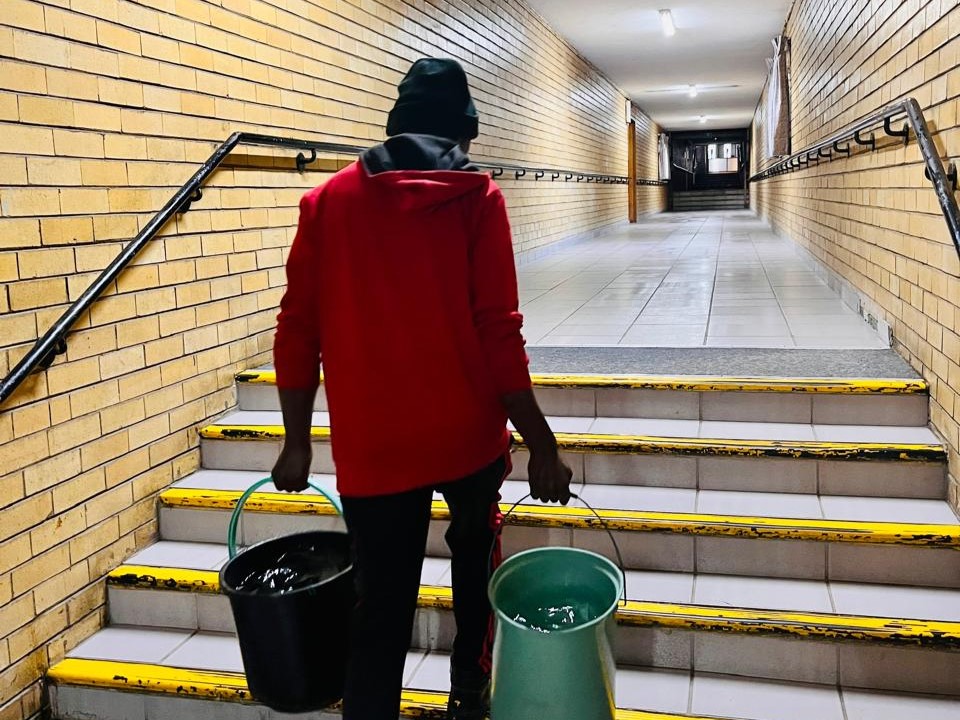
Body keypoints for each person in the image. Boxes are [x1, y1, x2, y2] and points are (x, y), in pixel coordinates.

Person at [271, 57, 573, 720]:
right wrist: (542, 444)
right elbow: (499, 333)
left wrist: (296, 441)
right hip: (467, 438)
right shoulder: (478, 198)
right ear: (461, 132)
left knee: (379, 611)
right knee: (473, 565)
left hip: (374, 451)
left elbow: (297, 330)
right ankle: (470, 691)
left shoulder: (325, 204)